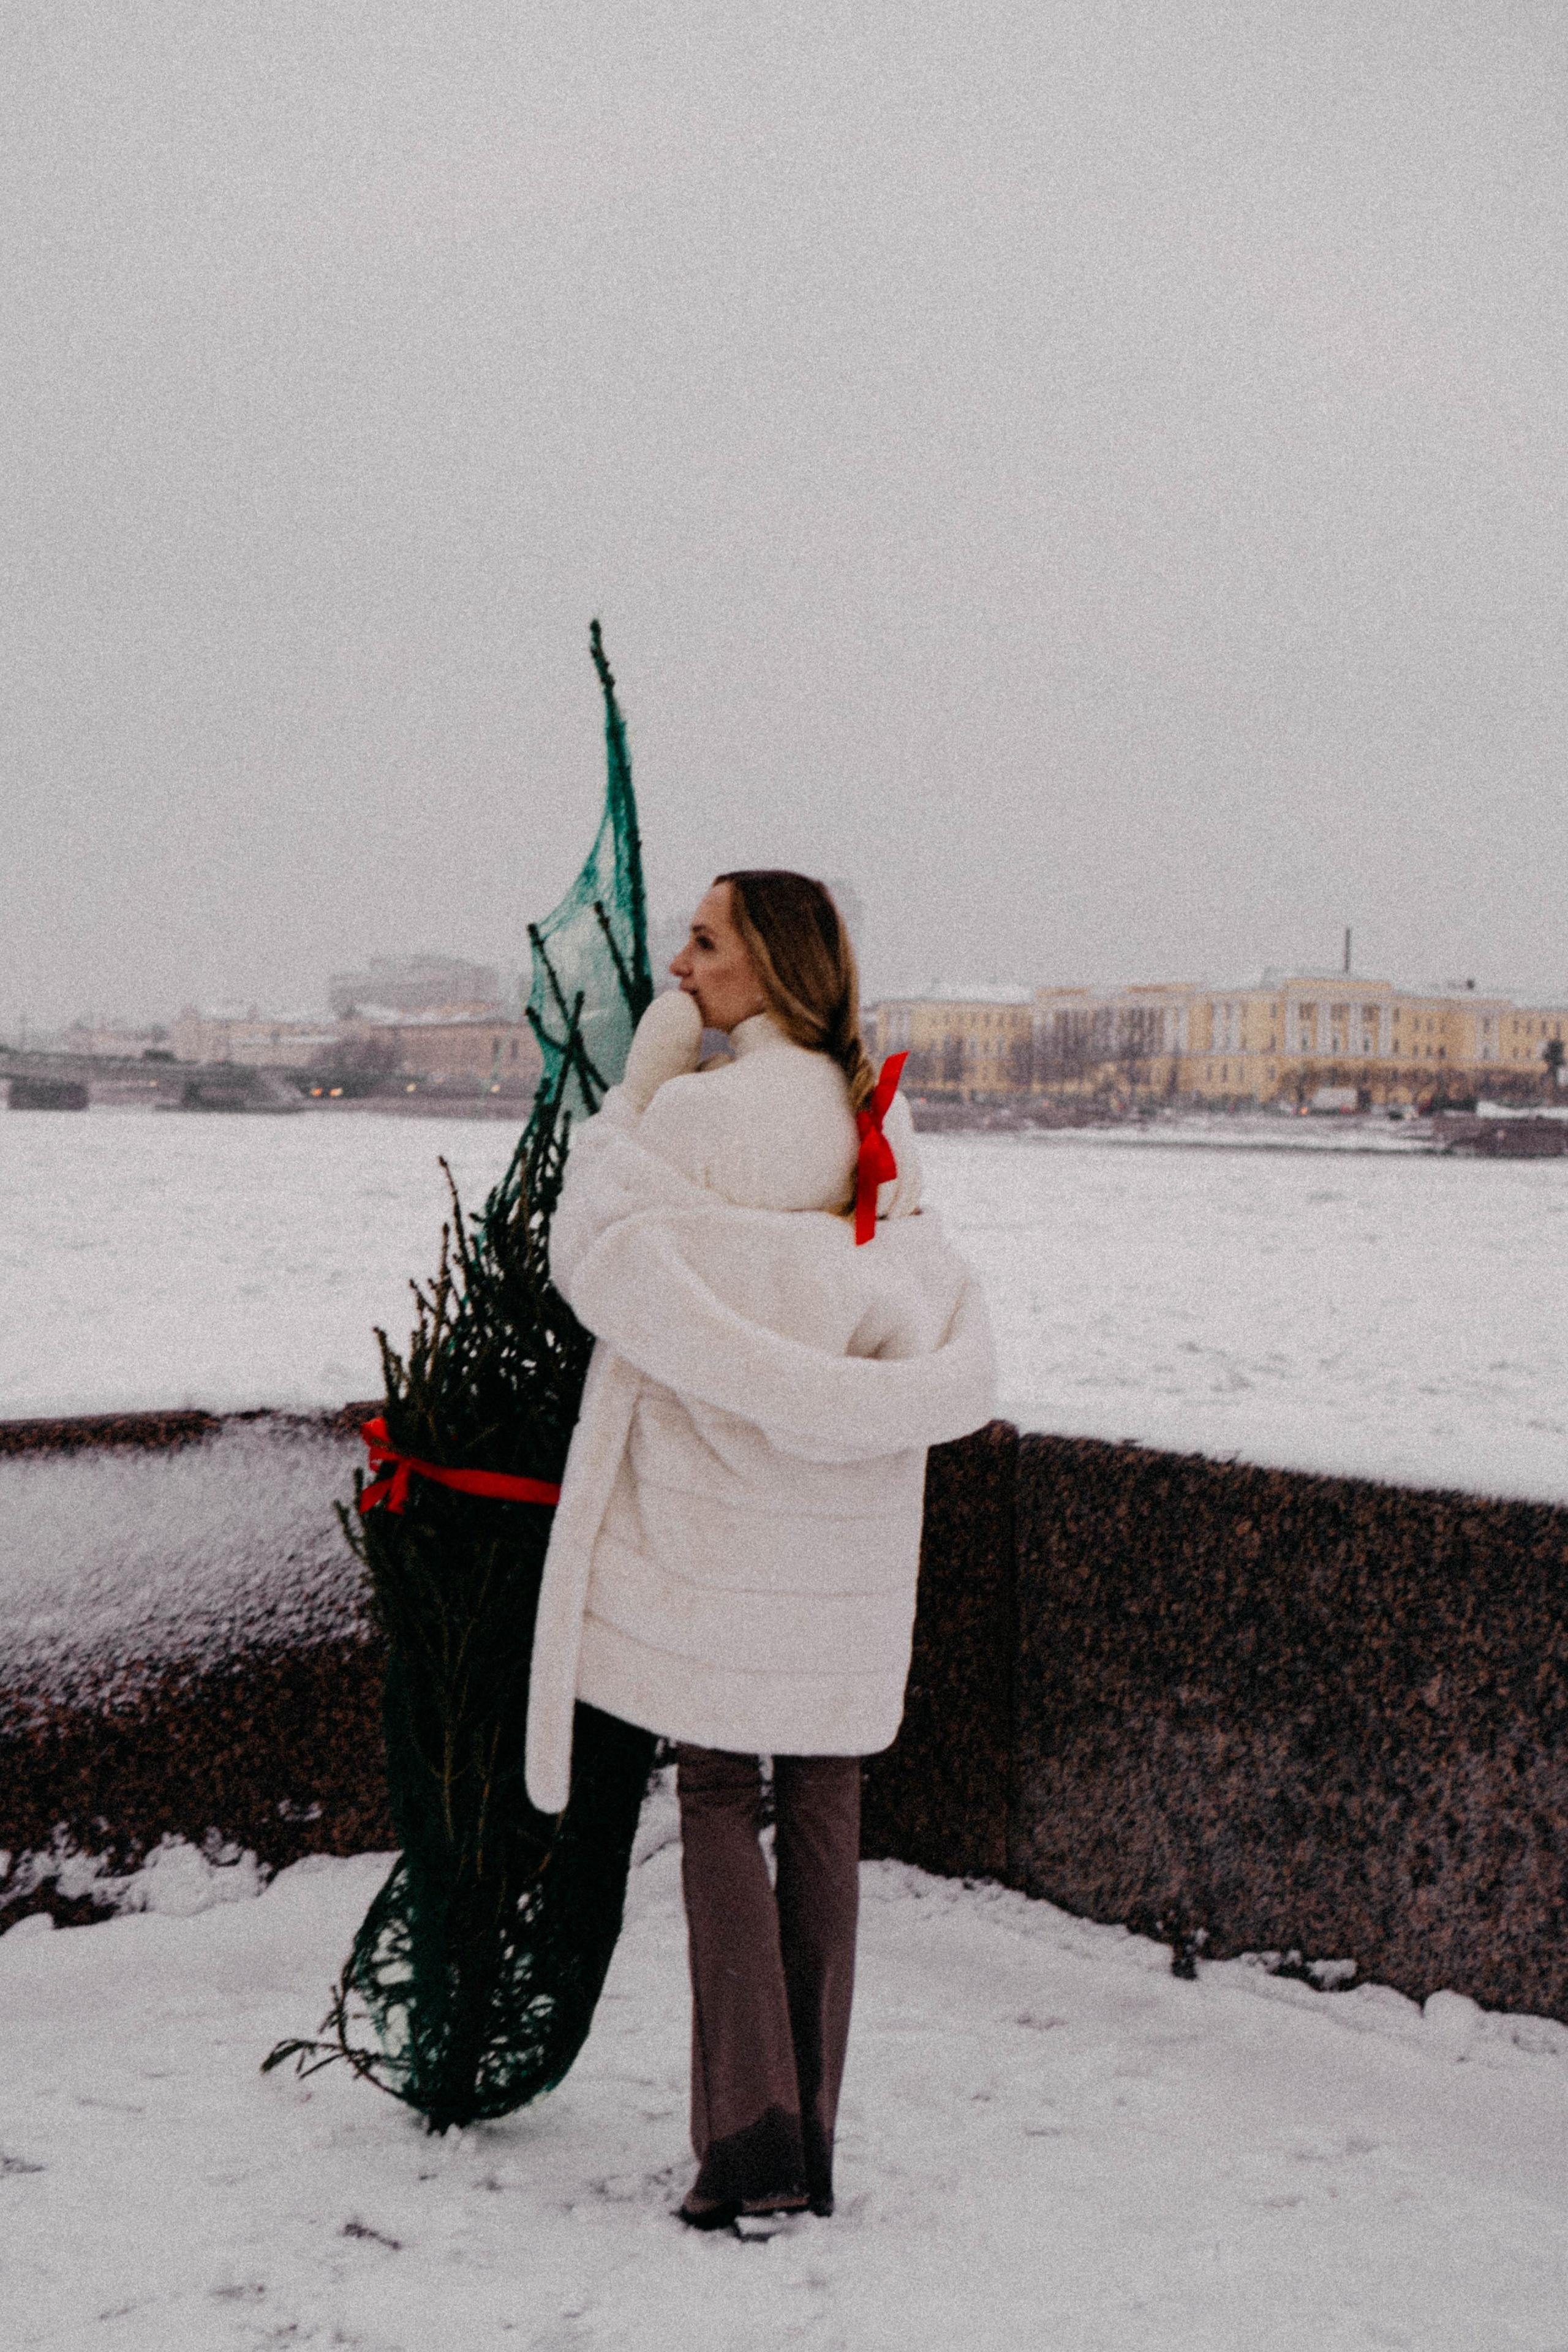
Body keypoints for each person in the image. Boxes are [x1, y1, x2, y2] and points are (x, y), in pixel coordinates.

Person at [525, 870, 996, 2230]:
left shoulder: (697, 1114)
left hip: (720, 1524)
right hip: (840, 1535)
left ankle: (748, 2148)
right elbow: (908, 1284)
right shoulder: (874, 1122)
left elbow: (588, 1241)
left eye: (703, 942)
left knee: (720, 1796)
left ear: (768, 969)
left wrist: (644, 1075)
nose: (679, 964)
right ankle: (818, 2143)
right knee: (830, 1806)